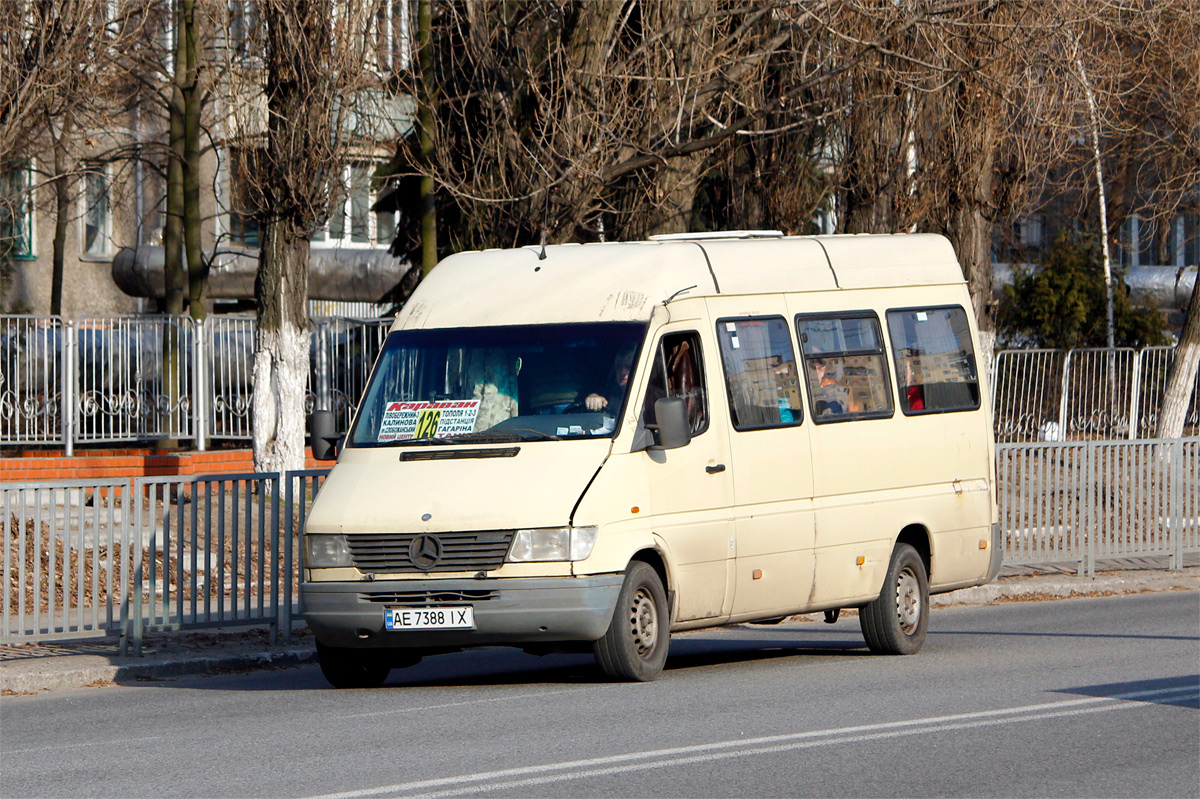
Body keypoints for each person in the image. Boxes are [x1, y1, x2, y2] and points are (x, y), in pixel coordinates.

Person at [584, 346, 635, 412]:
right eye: (619, 367)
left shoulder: (647, 398)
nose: (623, 372)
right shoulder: (608, 394)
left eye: (628, 367)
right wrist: (593, 398)